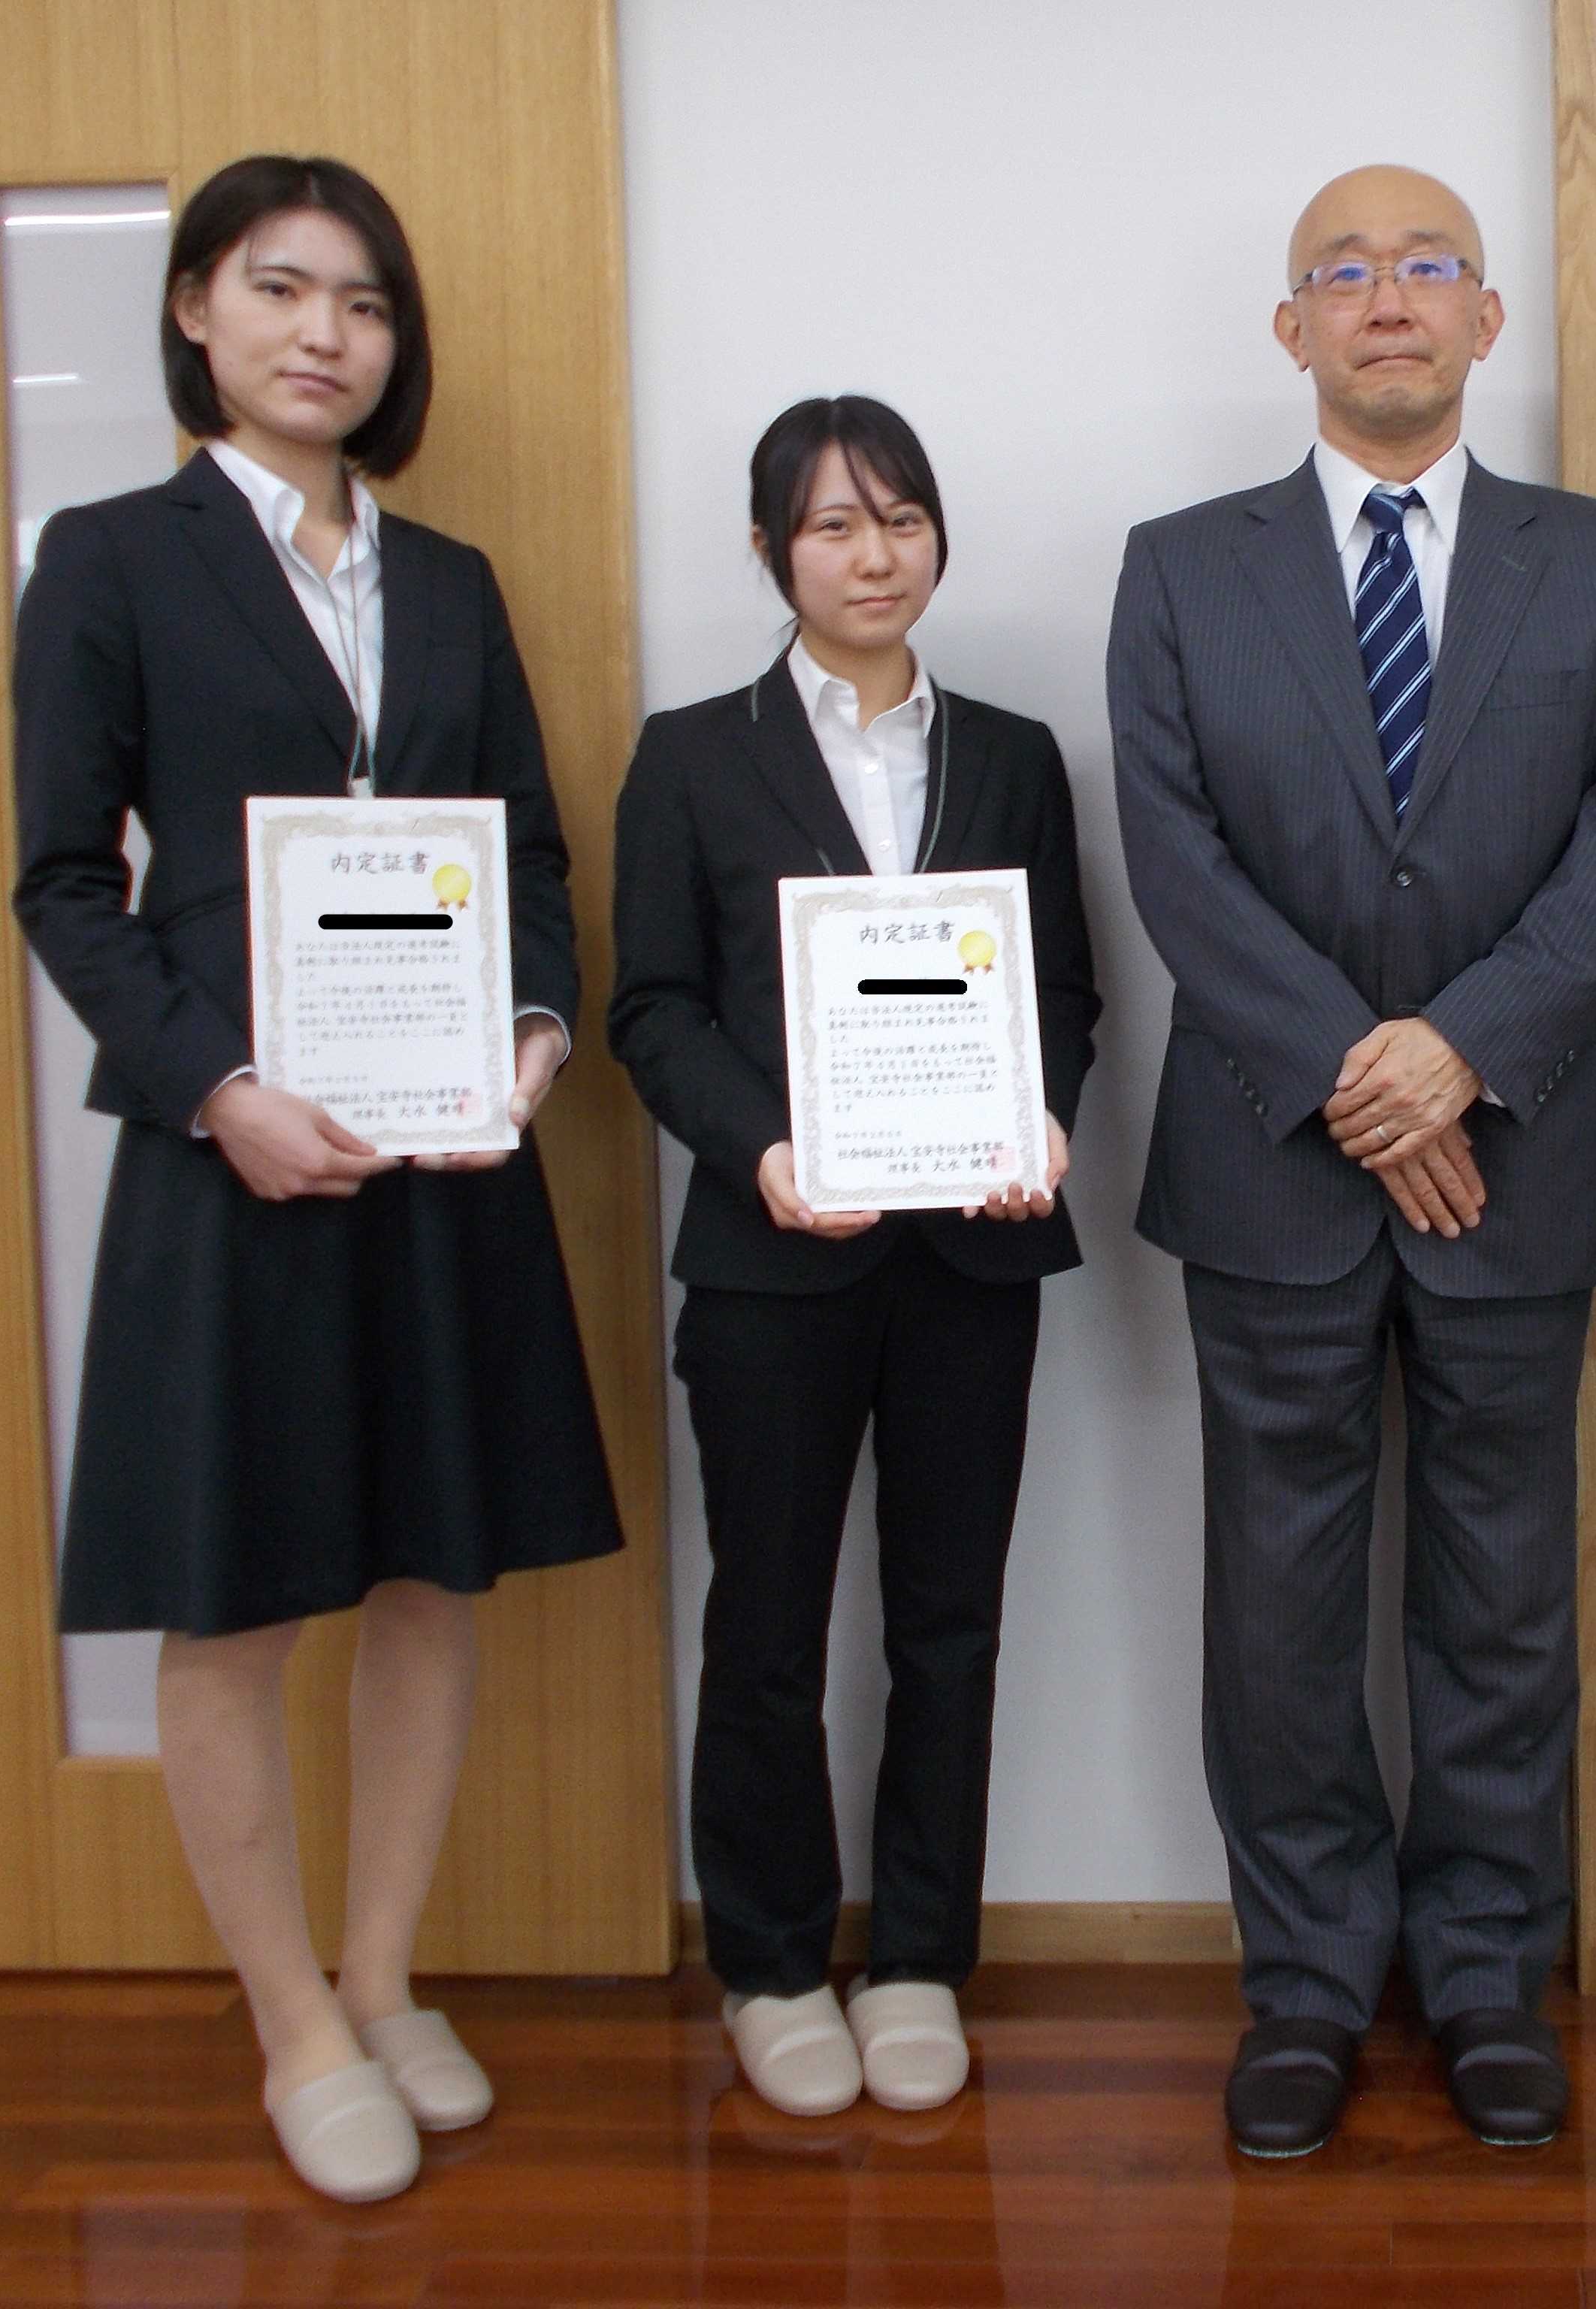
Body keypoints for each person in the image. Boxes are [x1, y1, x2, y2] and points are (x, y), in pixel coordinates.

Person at [10, 154, 624, 2204]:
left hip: (445, 1153)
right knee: (238, 1597)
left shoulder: (443, 580)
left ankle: (380, 1972)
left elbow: (525, 850)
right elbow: (61, 884)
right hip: (238, 1158)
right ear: (196, 309)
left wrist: (535, 1029)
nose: (322, 336)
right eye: (279, 292)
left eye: (359, 303)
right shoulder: (109, 556)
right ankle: (286, 2019)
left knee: (431, 1569)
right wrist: (216, 1088)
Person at [1108, 165, 1596, 2156]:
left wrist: (1458, 1057)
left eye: (1423, 265)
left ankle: (1477, 1976)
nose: (1383, 299)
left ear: (1485, 319)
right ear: (1288, 329)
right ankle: (1298, 1986)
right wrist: (1366, 1080)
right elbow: (1174, 858)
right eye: (1337, 273)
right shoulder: (1178, 570)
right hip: (1272, 1167)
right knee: (1275, 1607)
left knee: (1502, 1598)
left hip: (1515, 1161)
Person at [609, 396, 1099, 2120]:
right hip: (773, 1263)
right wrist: (763, 1151)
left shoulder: (1017, 755)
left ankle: (918, 1960)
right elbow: (652, 1008)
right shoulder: (691, 754)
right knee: (766, 1620)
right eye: (831, 526)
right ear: (768, 553)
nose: (873, 553)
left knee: (947, 1622)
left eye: (901, 517)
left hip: (969, 1256)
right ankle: (764, 1960)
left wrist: (1041, 1121)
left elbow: (1065, 999)